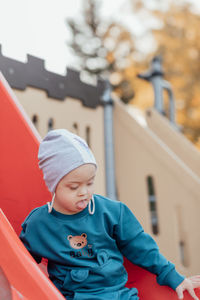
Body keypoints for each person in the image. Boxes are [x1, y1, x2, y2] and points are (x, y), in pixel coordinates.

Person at [20, 129, 200, 300]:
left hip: (117, 294)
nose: (84, 192)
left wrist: (170, 274)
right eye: (74, 187)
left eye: (90, 183)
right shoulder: (38, 224)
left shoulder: (111, 212)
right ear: (53, 186)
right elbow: (20, 263)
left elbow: (141, 246)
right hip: (71, 296)